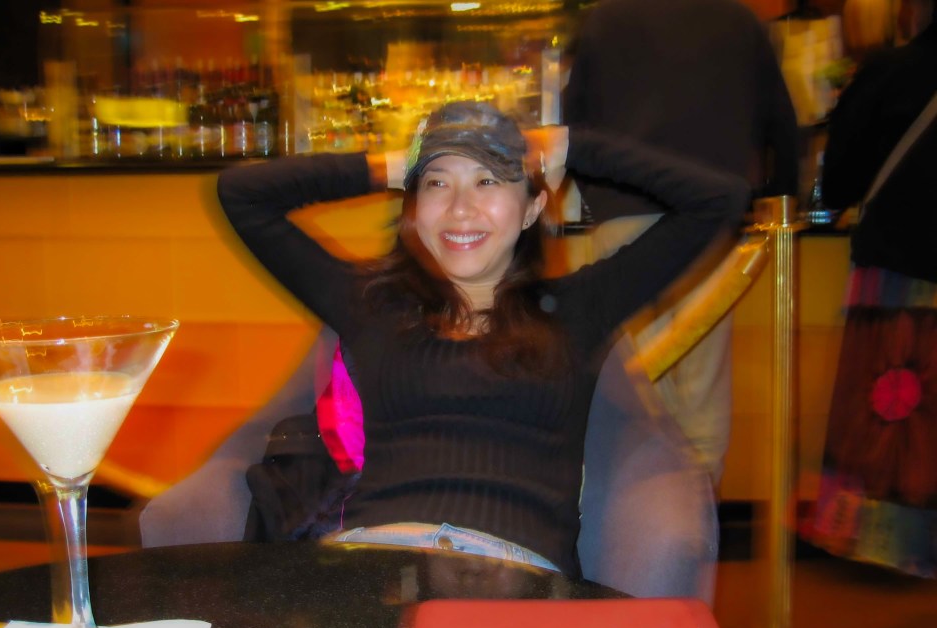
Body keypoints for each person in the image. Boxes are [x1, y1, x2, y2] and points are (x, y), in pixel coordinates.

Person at [216, 100, 749, 578]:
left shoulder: (578, 310)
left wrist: (565, 144)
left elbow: (717, 200)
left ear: (534, 209)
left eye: (489, 181)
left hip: (513, 577)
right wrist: (400, 163)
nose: (460, 208)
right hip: (372, 564)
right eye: (437, 184)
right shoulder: (373, 306)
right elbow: (241, 196)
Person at [561, 0, 800, 481]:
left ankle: (643, 524)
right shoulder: (738, 20)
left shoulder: (606, 18)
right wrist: (778, 198)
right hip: (710, 220)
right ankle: (696, 529)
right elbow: (781, 121)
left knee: (633, 389)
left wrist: (589, 198)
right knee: (701, 388)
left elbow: (572, 124)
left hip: (623, 212)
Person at [807, 0, 937, 578]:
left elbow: (839, 180)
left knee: (895, 407)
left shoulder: (893, 70)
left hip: (901, 266)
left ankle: (898, 546)